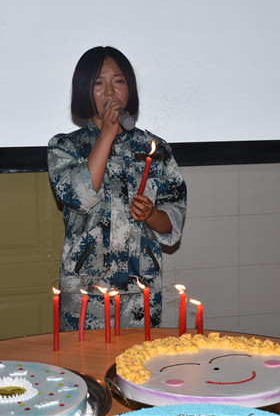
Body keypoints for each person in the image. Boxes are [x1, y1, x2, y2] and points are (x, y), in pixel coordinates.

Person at [47, 46, 187, 332]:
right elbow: (78, 197)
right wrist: (108, 133)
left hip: (141, 290)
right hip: (86, 292)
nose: (110, 91)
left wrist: (151, 215)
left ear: (130, 88)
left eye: (119, 81)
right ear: (84, 89)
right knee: (84, 361)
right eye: (99, 83)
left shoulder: (154, 149)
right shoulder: (66, 147)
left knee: (140, 360)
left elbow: (173, 221)